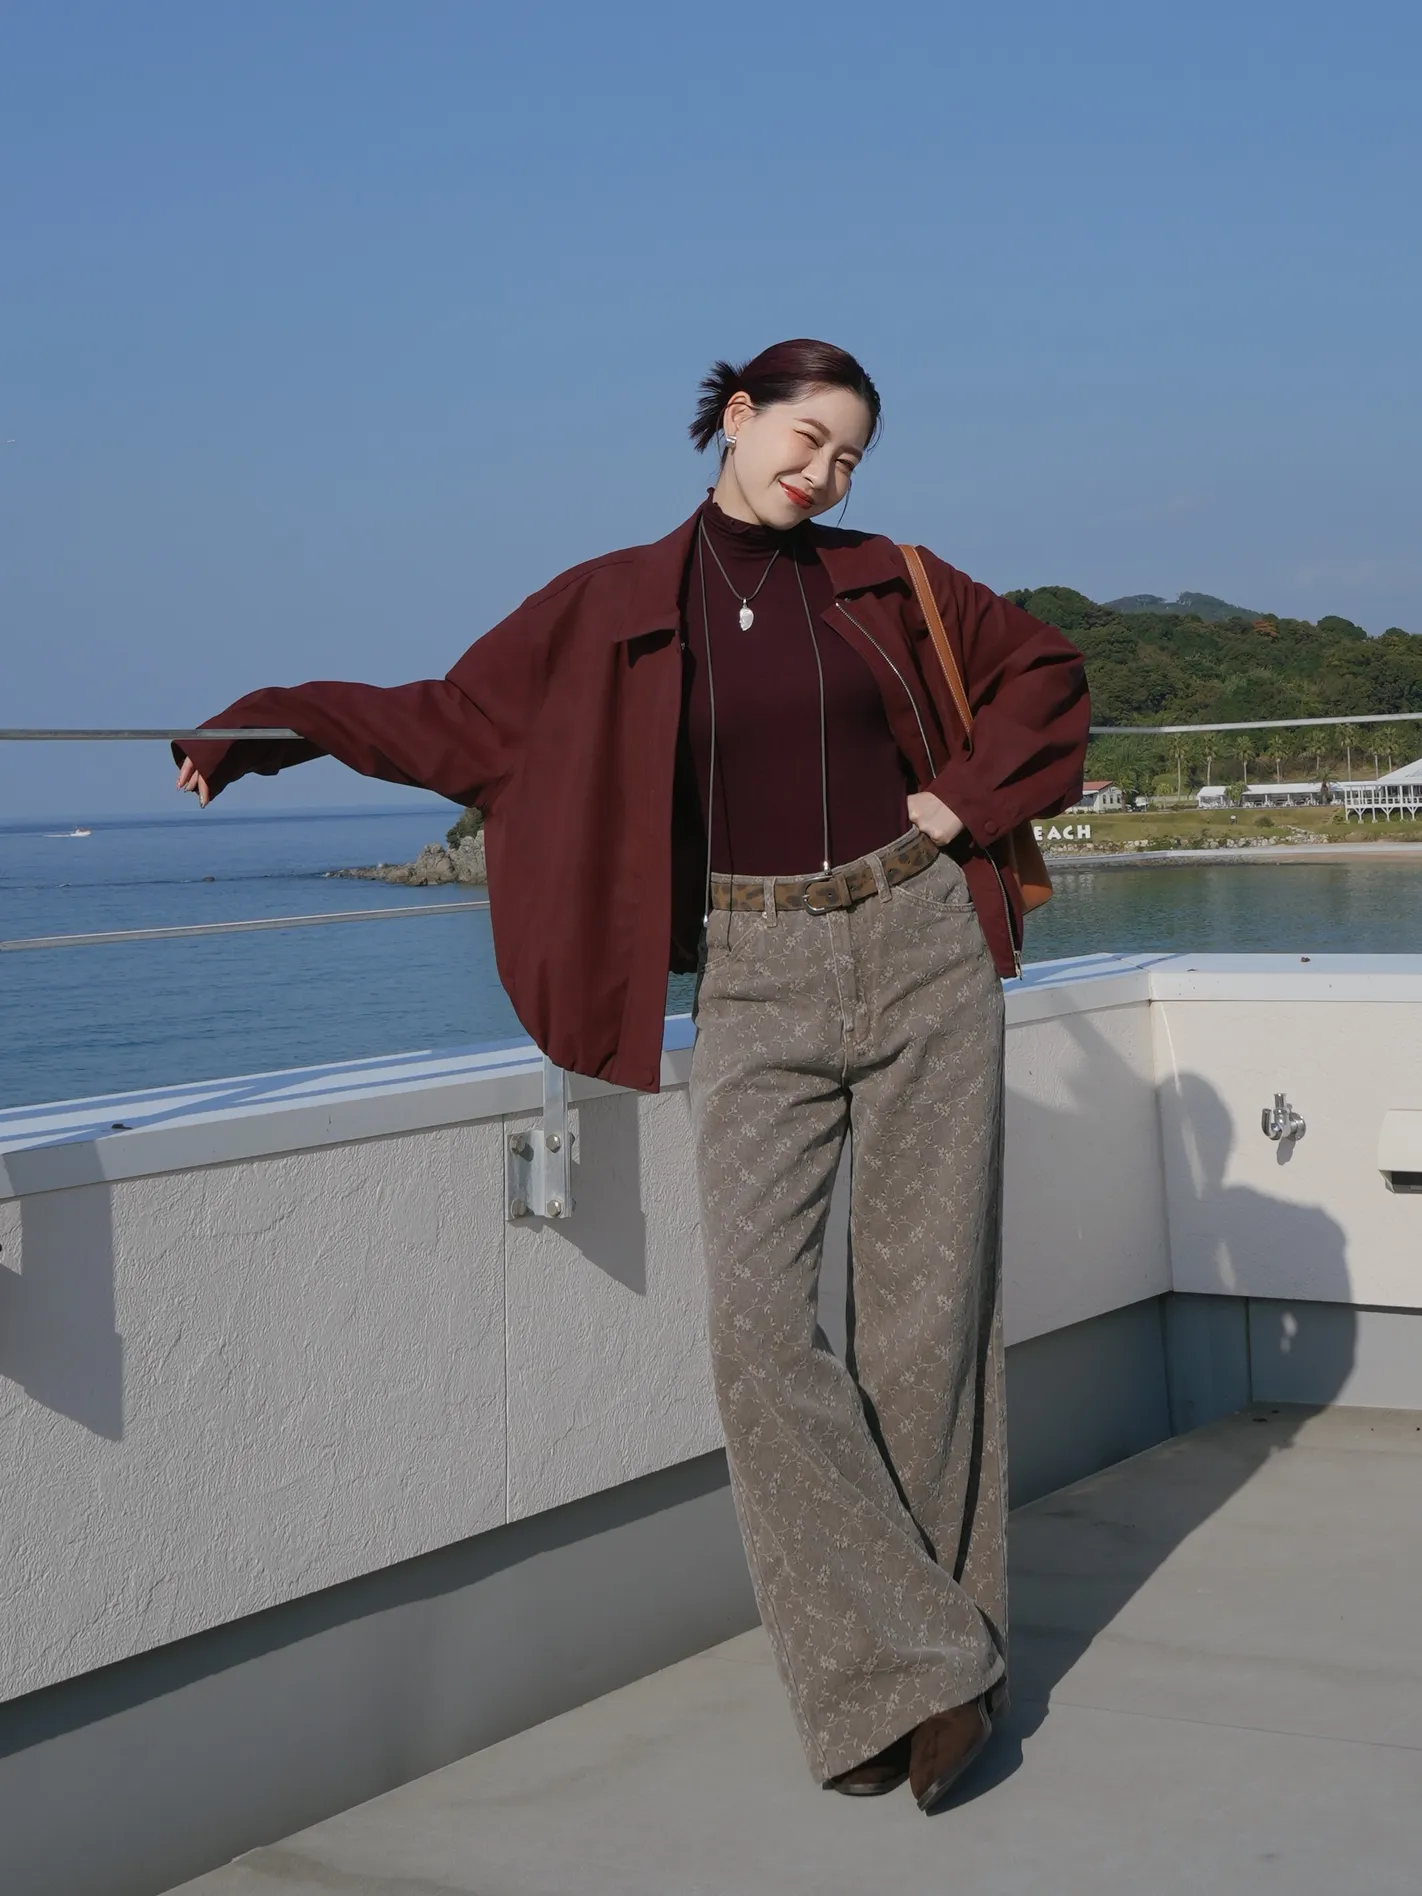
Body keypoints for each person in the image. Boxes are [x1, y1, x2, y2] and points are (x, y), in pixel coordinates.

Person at [175, 338, 1090, 1813]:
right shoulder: (613, 601)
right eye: (804, 437)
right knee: (759, 1335)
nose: (822, 473)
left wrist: (957, 804)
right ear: (734, 417)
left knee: (928, 1319)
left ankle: (921, 1686)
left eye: (849, 457)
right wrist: (270, 727)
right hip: (754, 966)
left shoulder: (888, 577)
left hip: (917, 937)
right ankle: (929, 1660)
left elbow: (1045, 671)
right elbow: (454, 720)